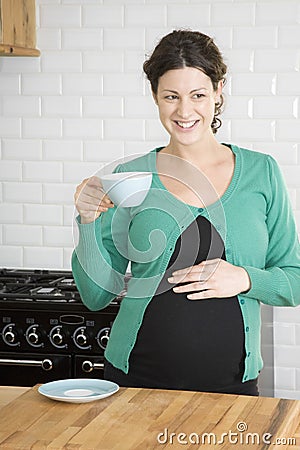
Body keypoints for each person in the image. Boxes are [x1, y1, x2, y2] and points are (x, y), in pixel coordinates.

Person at [72, 30, 300, 396]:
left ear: (219, 90)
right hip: (135, 382)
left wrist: (244, 278)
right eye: (171, 97)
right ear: (155, 97)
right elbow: (95, 295)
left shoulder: (262, 171)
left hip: (232, 387)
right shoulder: (127, 181)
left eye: (197, 95)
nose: (184, 111)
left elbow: (294, 279)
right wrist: (87, 222)